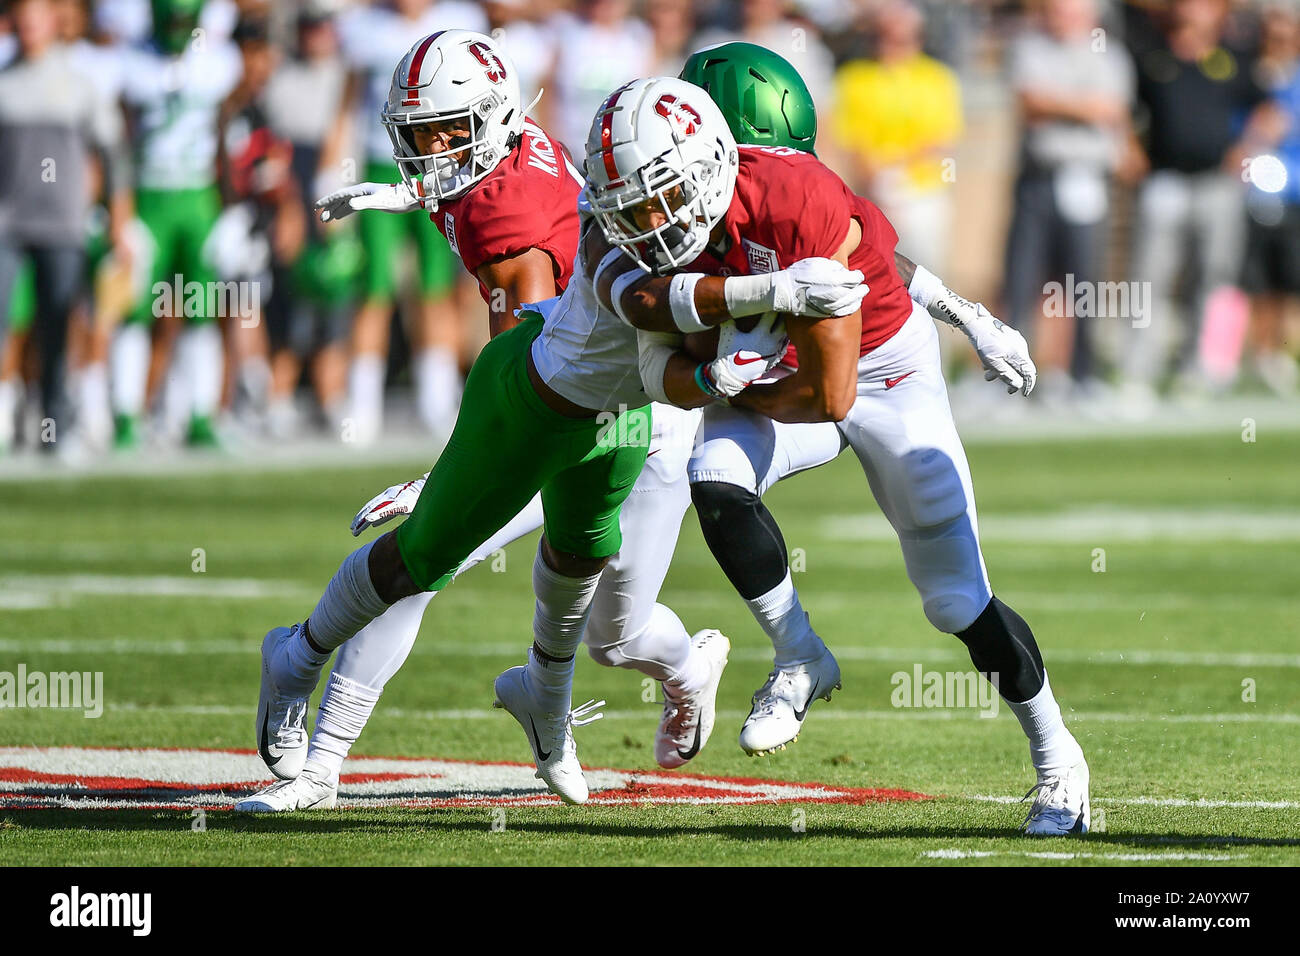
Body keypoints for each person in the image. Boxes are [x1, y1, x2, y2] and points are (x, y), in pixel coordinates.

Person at [241, 36, 870, 808]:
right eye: (422, 136)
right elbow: (605, 327)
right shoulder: (508, 163)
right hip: (594, 392)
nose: (431, 154)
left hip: (637, 410)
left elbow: (619, 315)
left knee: (616, 632)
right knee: (429, 564)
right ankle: (326, 755)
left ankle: (675, 671)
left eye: (447, 133)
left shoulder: (518, 223)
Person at [586, 73, 1088, 836]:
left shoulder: (793, 198)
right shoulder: (641, 231)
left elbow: (833, 397)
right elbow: (661, 354)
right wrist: (713, 374)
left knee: (955, 597)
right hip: (774, 373)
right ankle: (800, 656)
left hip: (882, 373)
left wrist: (734, 378)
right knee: (713, 474)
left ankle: (1060, 760)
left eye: (662, 200)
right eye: (633, 207)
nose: (649, 225)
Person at [110, 0, 241, 448]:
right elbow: (119, 143)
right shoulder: (129, 64)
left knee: (202, 310)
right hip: (149, 197)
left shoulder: (219, 62)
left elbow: (226, 134)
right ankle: (126, 417)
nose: (180, 29)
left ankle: (200, 416)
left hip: (199, 197)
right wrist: (116, 209)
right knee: (132, 312)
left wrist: (230, 208)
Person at [0, 0, 129, 454]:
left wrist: (120, 218)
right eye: (22, 16)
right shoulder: (4, 82)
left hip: (63, 224)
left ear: (55, 21)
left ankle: (56, 425)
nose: (29, 25)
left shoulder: (78, 85)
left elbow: (113, 153)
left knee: (59, 325)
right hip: (8, 224)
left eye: (38, 16)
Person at [1001, 0, 1136, 399]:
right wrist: (1084, 107)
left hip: (1087, 180)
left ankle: (1082, 375)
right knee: (1022, 279)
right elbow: (1031, 103)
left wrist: (1061, 104)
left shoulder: (1109, 55)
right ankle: (1012, 377)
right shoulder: (1030, 47)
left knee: (1082, 284)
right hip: (1039, 178)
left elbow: (1113, 109)